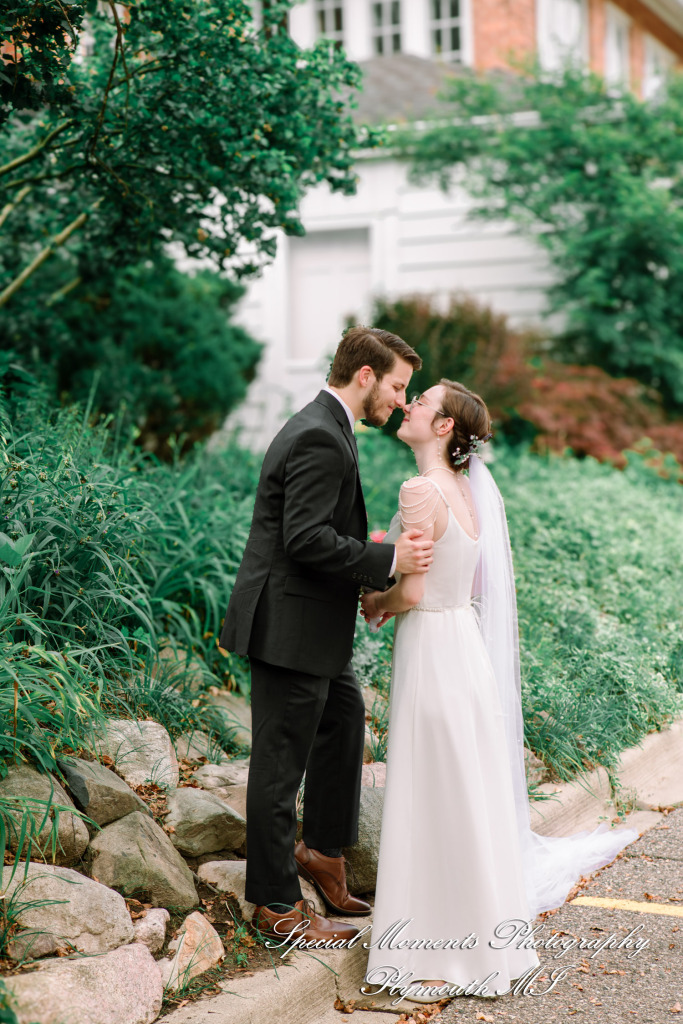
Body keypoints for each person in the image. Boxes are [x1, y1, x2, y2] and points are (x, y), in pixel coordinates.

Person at [359, 379, 639, 1004]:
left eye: (422, 402)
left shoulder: (420, 491)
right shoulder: (468, 493)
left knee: (431, 793)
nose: (409, 406)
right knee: (462, 795)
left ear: (443, 428)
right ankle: (484, 943)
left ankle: (434, 955)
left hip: (432, 648)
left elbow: (408, 593)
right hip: (465, 648)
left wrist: (370, 599)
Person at [219, 325, 434, 944]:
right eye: (397, 386)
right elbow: (305, 539)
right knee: (279, 765)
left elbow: (316, 529)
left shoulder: (329, 425)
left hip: (313, 623)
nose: (400, 400)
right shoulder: (319, 433)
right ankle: (276, 903)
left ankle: (322, 853)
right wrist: (388, 560)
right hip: (289, 626)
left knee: (345, 721)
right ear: (365, 375)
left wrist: (368, 563)